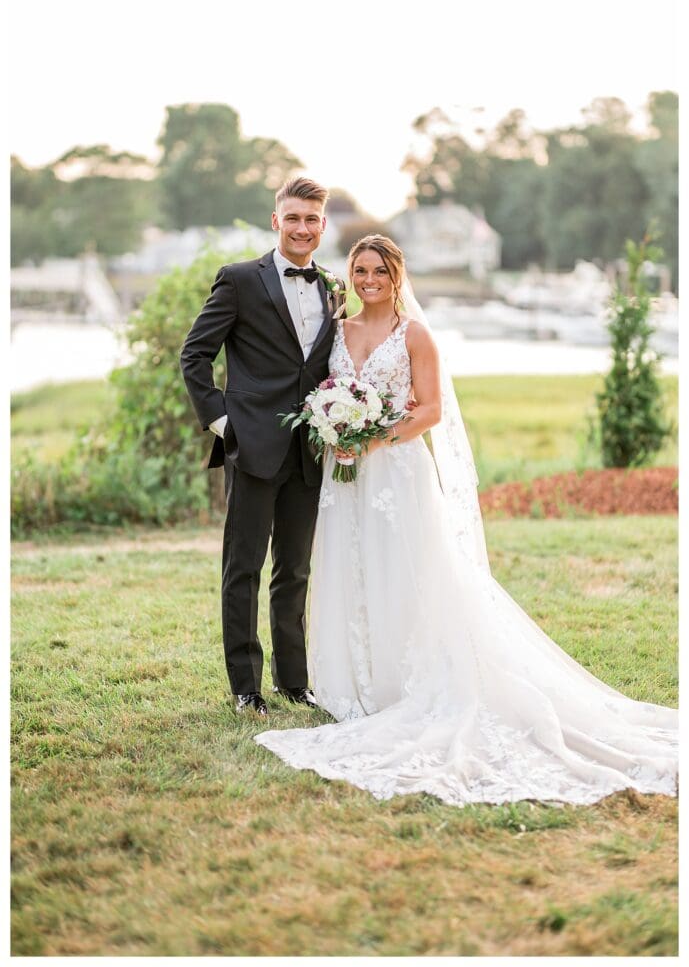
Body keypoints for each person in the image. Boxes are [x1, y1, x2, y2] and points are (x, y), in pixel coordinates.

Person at [255, 235, 678, 806]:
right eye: (360, 270)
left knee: (408, 573)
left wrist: (372, 436)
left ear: (397, 275)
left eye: (380, 270)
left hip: (395, 473)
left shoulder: (415, 334)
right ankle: (356, 683)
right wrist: (336, 429)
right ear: (349, 275)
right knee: (351, 568)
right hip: (343, 477)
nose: (369, 279)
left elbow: (429, 409)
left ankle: (406, 683)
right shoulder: (341, 330)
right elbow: (324, 390)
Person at [180, 177, 346, 716]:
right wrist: (223, 423)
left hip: (310, 450)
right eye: (293, 218)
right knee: (243, 568)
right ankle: (245, 688)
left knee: (295, 569)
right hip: (251, 446)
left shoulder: (333, 288)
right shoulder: (238, 280)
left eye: (312, 220)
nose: (302, 228)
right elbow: (194, 356)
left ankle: (293, 681)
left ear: (323, 226)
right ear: (276, 221)